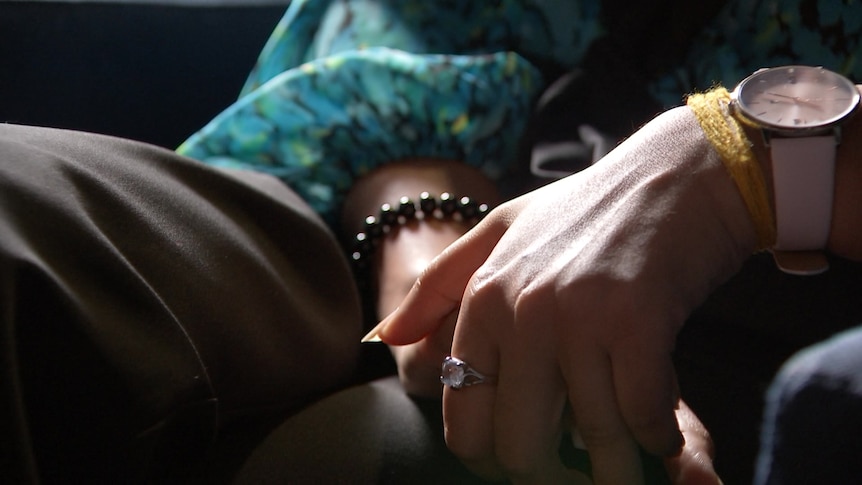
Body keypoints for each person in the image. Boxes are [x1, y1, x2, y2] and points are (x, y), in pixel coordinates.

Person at [3, 1, 862, 484]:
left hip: (760, 317)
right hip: (354, 227)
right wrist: (431, 254)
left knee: (360, 460)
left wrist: (733, 160)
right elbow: (404, 50)